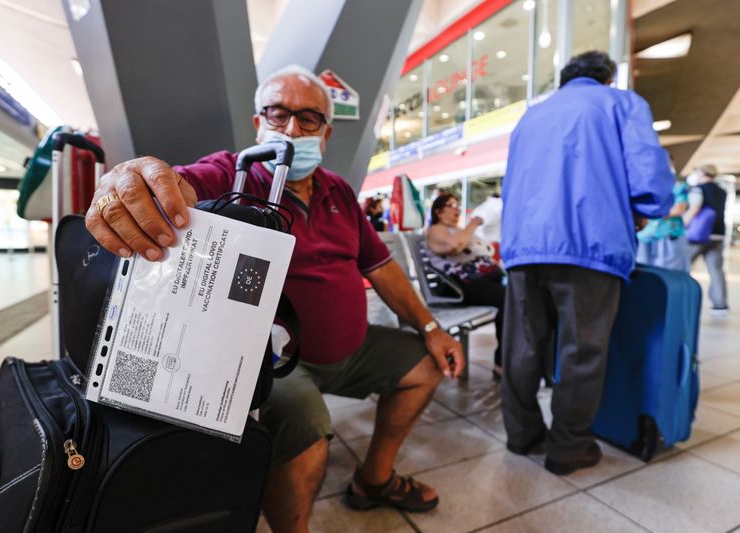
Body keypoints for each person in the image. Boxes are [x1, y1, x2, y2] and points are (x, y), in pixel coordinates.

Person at [85, 65, 464, 533]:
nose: (291, 129)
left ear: (325, 134)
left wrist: (430, 327)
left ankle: (374, 480)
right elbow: (179, 184)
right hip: (274, 358)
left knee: (424, 369)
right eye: (278, 113)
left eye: (309, 119)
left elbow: (379, 266)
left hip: (352, 349)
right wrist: (135, 180)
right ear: (257, 122)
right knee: (307, 429)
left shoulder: (339, 191)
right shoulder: (235, 174)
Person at [500, 51, 674, 475]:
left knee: (522, 347)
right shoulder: (622, 104)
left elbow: (509, 185)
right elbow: (649, 178)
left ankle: (522, 436)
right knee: (582, 350)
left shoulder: (531, 117)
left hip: (524, 247)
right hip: (588, 243)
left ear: (564, 80)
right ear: (607, 78)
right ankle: (568, 448)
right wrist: (648, 207)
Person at [426, 192, 506, 381]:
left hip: (480, 280)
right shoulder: (436, 230)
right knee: (509, 300)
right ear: (438, 211)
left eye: (457, 204)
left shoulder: (457, 229)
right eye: (451, 205)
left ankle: (511, 357)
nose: (457, 208)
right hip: (459, 286)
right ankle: (502, 361)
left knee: (518, 297)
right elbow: (454, 246)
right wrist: (473, 224)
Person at [684, 164, 729, 315]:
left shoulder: (698, 189)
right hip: (718, 234)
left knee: (683, 267)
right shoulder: (722, 191)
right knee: (716, 271)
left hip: (699, 235)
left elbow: (694, 208)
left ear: (702, 173)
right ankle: (720, 306)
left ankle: (682, 299)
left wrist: (683, 224)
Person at [636, 175, 691, 272]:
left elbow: (679, 208)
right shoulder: (642, 185)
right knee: (644, 272)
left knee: (670, 272)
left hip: (668, 236)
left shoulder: (678, 187)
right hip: (645, 236)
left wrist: (653, 213)